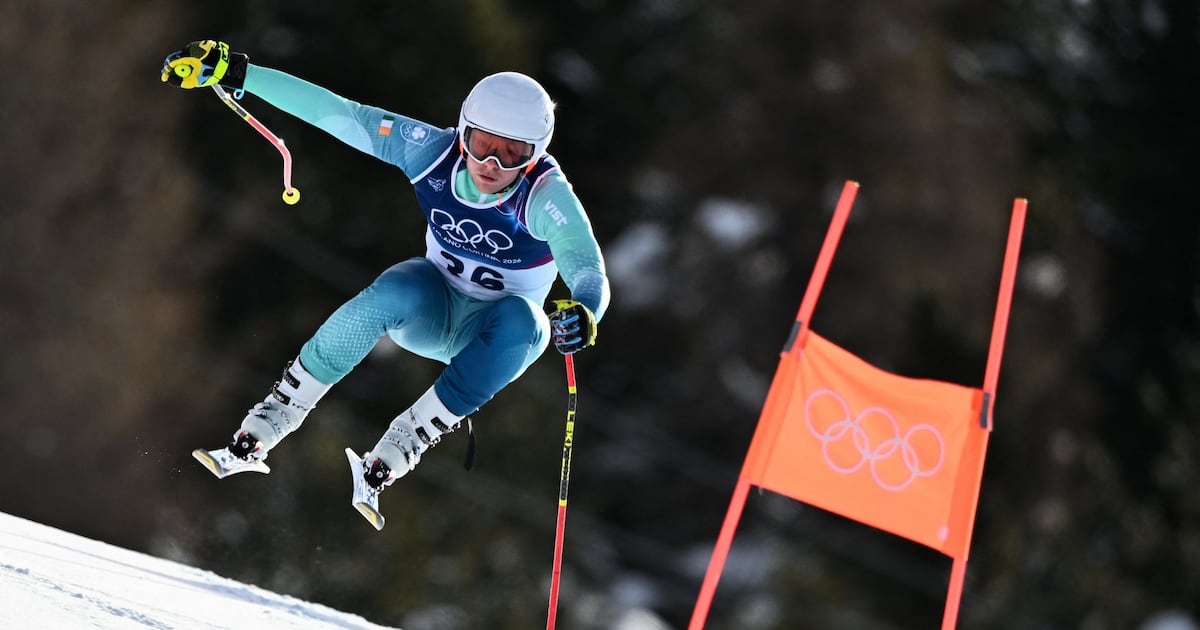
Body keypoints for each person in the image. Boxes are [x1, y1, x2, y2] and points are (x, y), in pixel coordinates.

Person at [162, 41, 609, 504]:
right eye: (481, 146)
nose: (490, 165)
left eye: (511, 154)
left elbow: (587, 266)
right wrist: (239, 74)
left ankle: (409, 438)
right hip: (429, 311)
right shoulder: (432, 152)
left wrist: (585, 310)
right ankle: (279, 411)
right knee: (399, 286)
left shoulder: (546, 197)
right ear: (463, 133)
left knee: (524, 319)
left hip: (491, 337)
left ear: (534, 154)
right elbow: (337, 113)